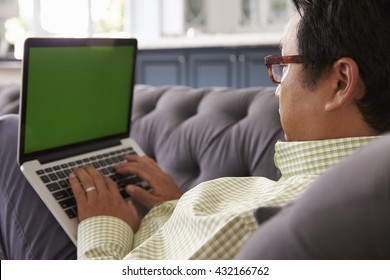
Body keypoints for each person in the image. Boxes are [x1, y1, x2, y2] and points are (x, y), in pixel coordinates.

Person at [0, 0, 389, 259]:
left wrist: (106, 226)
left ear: (340, 83)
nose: (278, 87)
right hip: (145, 228)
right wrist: (172, 207)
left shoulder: (278, 218)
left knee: (7, 135)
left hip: (103, 253)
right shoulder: (324, 188)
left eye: (284, 64)